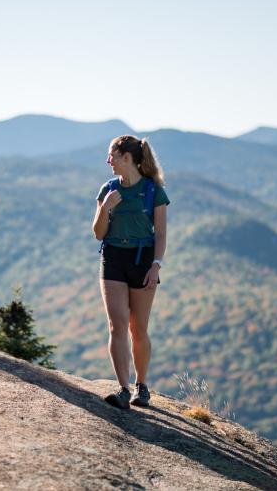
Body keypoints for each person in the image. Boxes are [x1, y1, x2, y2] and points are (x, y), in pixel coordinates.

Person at [92, 135, 169, 409]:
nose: (108, 161)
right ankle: (123, 388)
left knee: (139, 329)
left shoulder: (153, 191)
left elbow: (160, 234)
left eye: (111, 155)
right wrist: (106, 209)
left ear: (126, 157)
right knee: (117, 325)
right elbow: (98, 233)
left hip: (142, 260)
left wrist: (155, 266)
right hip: (112, 257)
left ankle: (142, 385)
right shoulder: (108, 189)